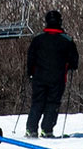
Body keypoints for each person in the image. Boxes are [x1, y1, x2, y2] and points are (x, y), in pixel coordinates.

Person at [23, 10, 79, 138]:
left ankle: (31, 129)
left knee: (37, 102)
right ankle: (47, 130)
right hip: (58, 78)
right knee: (52, 103)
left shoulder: (38, 39)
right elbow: (74, 62)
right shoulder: (67, 40)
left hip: (39, 77)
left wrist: (30, 73)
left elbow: (30, 58)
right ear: (60, 22)